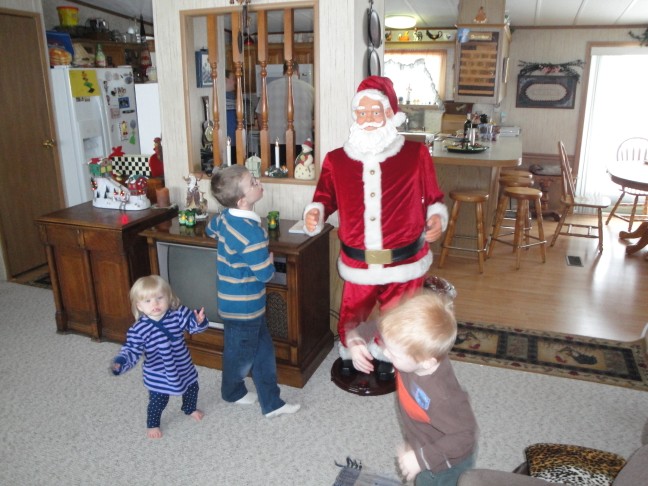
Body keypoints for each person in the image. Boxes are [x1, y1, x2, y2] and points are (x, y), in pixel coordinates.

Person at [303, 75, 448, 379]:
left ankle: (386, 354)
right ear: (354, 116)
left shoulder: (415, 154)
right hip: (358, 260)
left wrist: (436, 217)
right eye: (361, 113)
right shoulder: (336, 160)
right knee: (353, 313)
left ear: (390, 115)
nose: (368, 119)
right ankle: (350, 351)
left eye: (375, 112)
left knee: (399, 315)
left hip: (404, 259)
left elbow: (433, 197)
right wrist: (315, 213)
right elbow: (324, 198)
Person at [205, 165, 300, 418]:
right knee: (240, 357)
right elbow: (265, 275)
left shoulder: (226, 217)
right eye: (252, 182)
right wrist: (268, 260)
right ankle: (233, 391)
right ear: (242, 200)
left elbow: (210, 229)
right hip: (244, 307)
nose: (258, 183)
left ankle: (271, 403)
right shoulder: (251, 234)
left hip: (237, 303)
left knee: (261, 354)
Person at [377, 290, 478, 485]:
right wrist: (357, 339)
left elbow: (465, 435)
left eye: (394, 353)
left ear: (426, 362)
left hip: (446, 466)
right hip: (424, 441)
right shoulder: (416, 356)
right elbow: (383, 327)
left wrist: (421, 458)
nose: (386, 354)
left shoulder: (441, 396)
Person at [111, 275, 208, 439]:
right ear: (139, 306)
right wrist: (122, 361)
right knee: (158, 400)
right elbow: (132, 349)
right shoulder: (139, 329)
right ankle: (152, 424)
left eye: (159, 298)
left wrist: (198, 321)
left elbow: (193, 328)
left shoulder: (178, 314)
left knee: (192, 387)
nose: (155, 304)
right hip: (158, 372)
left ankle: (189, 408)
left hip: (183, 365)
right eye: (147, 301)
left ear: (169, 298)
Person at [257, 61, 314, 166]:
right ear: (298, 71)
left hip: (274, 141)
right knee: (301, 175)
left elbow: (260, 114)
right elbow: (317, 116)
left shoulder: (269, 87)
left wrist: (264, 133)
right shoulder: (310, 89)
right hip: (302, 142)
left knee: (276, 174)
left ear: (283, 71)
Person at [225, 69, 237, 158]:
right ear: (225, 79)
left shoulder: (233, 96)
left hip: (236, 141)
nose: (235, 82)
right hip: (228, 142)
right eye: (233, 78)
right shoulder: (221, 97)